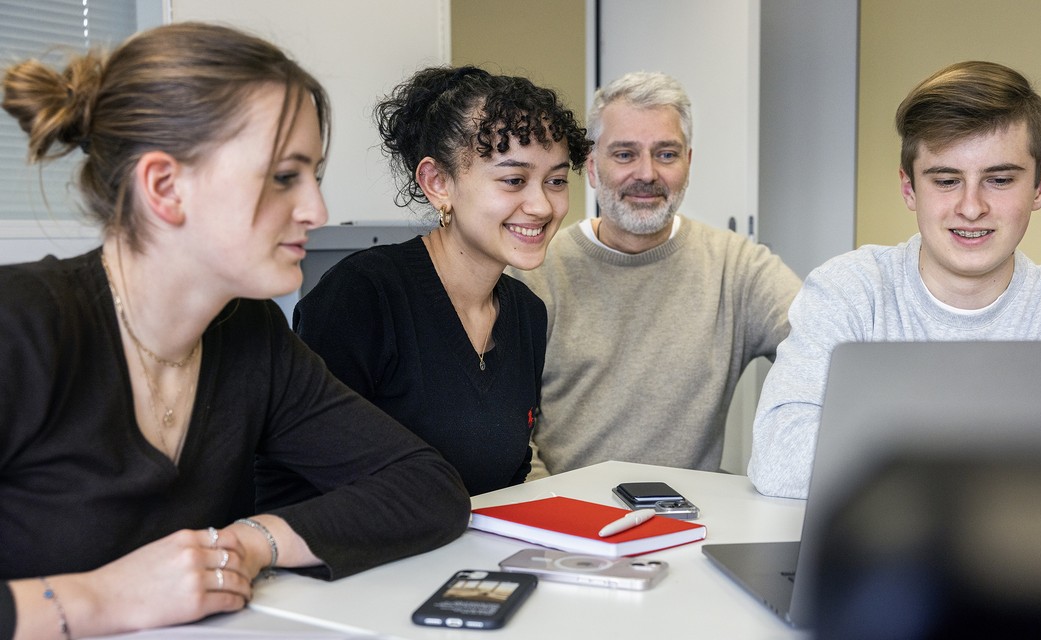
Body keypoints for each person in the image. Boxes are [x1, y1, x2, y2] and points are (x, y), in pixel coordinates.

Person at [0, 22, 470, 639]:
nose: (317, 211)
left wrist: (247, 544)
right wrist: (101, 599)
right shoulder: (21, 327)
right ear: (165, 187)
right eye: (283, 177)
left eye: (313, 175)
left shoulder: (249, 335)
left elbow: (426, 489)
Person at [748, 60, 1041, 500]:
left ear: (1040, 187)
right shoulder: (850, 291)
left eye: (999, 179)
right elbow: (778, 458)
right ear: (909, 189)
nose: (971, 206)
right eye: (946, 180)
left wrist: (887, 448)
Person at [293, 66, 591, 495]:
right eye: (513, 180)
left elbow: (507, 476)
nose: (542, 206)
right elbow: (297, 485)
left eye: (556, 181)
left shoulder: (526, 313)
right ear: (438, 183)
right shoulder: (362, 296)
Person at [510, 71, 802, 476]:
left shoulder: (737, 268)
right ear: (592, 168)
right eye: (625, 154)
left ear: (688, 163)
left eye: (665, 154)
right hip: (566, 522)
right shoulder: (536, 273)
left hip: (688, 522)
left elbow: (823, 350)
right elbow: (505, 433)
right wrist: (554, 517)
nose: (647, 174)